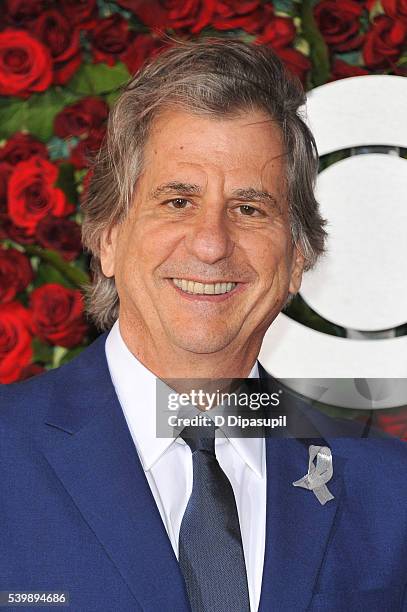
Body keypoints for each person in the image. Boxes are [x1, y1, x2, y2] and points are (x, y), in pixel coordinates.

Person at [0, 39, 406, 612]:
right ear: (108, 238)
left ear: (297, 260)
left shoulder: (389, 493)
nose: (212, 244)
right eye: (177, 202)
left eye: (249, 208)